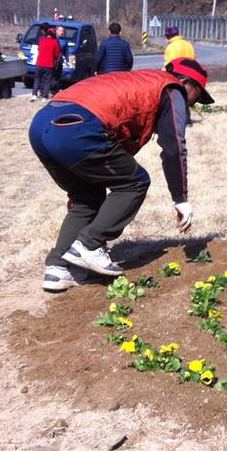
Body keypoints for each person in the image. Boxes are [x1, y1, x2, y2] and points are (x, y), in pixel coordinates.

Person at [29, 59, 215, 292]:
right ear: (185, 82)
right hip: (76, 128)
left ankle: (58, 269)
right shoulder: (171, 88)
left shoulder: (141, 81)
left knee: (86, 198)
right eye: (196, 96)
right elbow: (174, 146)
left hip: (41, 126)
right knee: (135, 182)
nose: (192, 104)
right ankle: (90, 244)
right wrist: (181, 199)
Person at [31, 24, 60, 102]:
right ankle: (45, 97)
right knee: (47, 80)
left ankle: (34, 95)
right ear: (54, 34)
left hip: (39, 63)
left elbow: (39, 49)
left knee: (37, 79)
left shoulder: (41, 40)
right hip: (48, 64)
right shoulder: (55, 42)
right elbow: (57, 54)